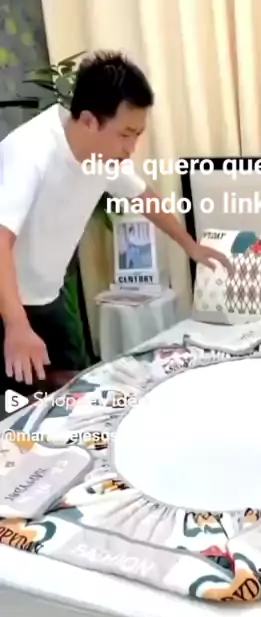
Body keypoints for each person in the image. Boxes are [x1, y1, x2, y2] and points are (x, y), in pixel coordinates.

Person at [0, 50, 230, 401]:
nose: (131, 148)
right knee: (18, 411)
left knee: (72, 397)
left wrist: (190, 245)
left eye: (137, 135)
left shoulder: (103, 156)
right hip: (8, 304)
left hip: (47, 295)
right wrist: (16, 325)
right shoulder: (30, 152)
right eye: (125, 134)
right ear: (89, 121)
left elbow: (143, 196)